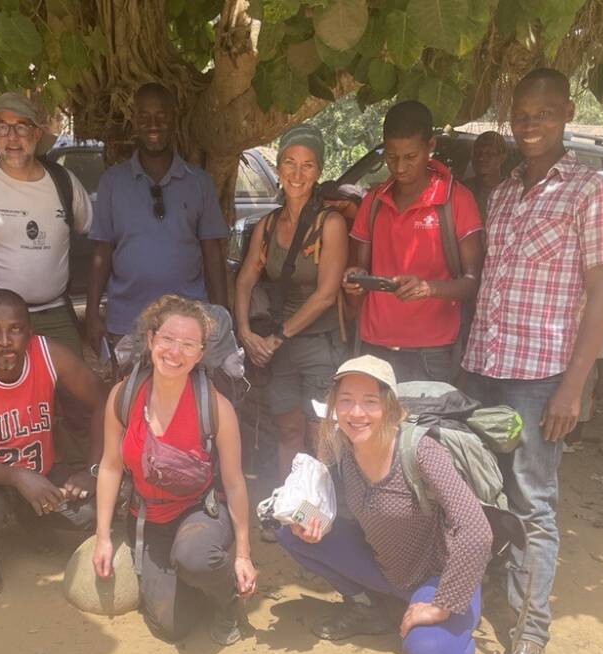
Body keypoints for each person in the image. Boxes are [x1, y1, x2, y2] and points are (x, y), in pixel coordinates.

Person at [462, 68, 603, 654]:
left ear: (568, 112)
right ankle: (473, 604)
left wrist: (573, 386)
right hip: (486, 369)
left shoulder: (593, 190)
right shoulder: (502, 193)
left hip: (541, 378)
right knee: (480, 492)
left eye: (545, 113)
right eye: (522, 114)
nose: (531, 125)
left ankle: (530, 637)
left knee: (532, 503)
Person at [277, 356, 492, 654]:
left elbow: (476, 530)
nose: (356, 413)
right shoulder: (340, 444)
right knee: (288, 535)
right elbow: (319, 504)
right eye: (346, 401)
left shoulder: (421, 451)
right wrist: (306, 521)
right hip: (385, 568)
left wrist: (442, 606)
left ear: (390, 407)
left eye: (370, 402)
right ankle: (368, 609)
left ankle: (448, 626)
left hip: (435, 577)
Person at [92, 295, 257, 645]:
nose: (174, 352)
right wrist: (104, 537)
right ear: (151, 340)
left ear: (200, 354)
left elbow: (235, 483)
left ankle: (226, 599)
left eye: (188, 344)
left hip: (199, 511)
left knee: (195, 557)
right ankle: (192, 580)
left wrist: (243, 554)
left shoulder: (215, 407)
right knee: (171, 627)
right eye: (167, 339)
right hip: (148, 517)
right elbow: (110, 466)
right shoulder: (124, 396)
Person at [0, 289, 108, 595]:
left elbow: (103, 401)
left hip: (41, 471)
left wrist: (93, 470)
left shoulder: (47, 354)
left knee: (93, 511)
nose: (4, 340)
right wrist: (17, 476)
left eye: (15, 329)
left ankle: (33, 521)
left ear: (29, 333)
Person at [233, 124, 350, 479]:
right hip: (276, 350)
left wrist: (276, 338)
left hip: (318, 346)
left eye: (308, 165)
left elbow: (326, 295)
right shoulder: (267, 226)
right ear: (279, 167)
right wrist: (245, 333)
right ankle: (289, 508)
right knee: (287, 431)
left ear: (319, 172)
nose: (297, 174)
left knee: (320, 436)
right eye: (289, 162)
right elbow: (245, 280)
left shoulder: (329, 224)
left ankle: (317, 513)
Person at [344, 100, 484, 383]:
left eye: (411, 156)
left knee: (424, 429)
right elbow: (359, 267)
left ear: (430, 145)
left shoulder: (455, 200)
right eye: (392, 157)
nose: (400, 167)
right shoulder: (373, 202)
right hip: (373, 345)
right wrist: (354, 277)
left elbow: (473, 283)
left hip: (431, 352)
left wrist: (427, 288)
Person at [85, 83, 229, 356]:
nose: (153, 124)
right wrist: (92, 314)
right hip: (127, 319)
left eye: (161, 116)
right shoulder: (113, 182)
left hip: (188, 321)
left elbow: (212, 251)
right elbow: (102, 251)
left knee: (187, 396)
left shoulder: (198, 182)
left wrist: (221, 317)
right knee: (130, 395)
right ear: (134, 121)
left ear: (174, 119)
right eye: (144, 116)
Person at [0, 92, 92, 351]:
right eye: (2, 127)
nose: (11, 137)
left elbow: (92, 232)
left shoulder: (64, 183)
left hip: (55, 314)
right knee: (0, 391)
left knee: (69, 388)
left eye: (21, 126)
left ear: (37, 134)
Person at [463, 130, 507, 220]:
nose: (481, 158)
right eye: (477, 153)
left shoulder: (509, 191)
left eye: (489, 154)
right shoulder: (463, 189)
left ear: (502, 158)